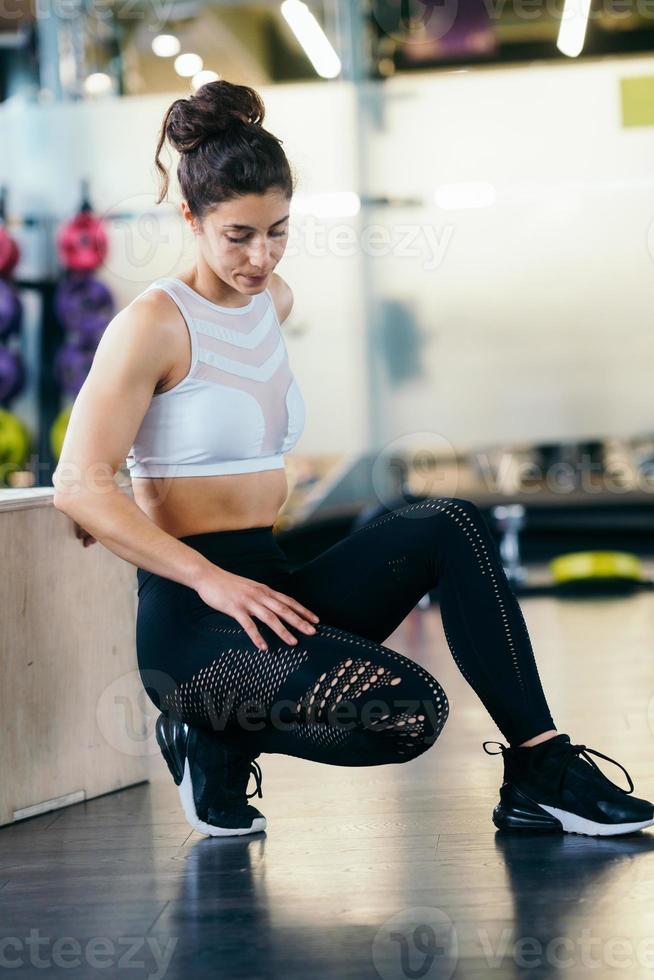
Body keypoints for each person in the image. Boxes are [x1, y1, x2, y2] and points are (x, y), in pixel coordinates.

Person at [52, 80, 654, 840]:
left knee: (451, 522)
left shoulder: (274, 304)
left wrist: (236, 574)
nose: (260, 255)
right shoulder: (152, 324)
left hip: (272, 589)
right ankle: (209, 731)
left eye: (277, 230)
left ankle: (540, 770)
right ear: (190, 219)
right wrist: (206, 576)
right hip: (194, 624)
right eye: (238, 235)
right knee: (407, 713)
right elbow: (79, 483)